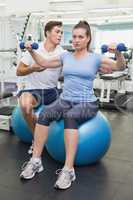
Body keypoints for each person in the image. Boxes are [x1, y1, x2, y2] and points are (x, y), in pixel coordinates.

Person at [20, 21, 126, 189]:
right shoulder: (65, 56)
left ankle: (69, 170)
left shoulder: (95, 58)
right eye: (74, 36)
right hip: (65, 99)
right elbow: (45, 62)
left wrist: (119, 52)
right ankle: (36, 160)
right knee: (45, 114)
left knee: (71, 117)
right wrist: (31, 50)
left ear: (88, 39)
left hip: (87, 102)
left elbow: (120, 66)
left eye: (80, 37)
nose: (76, 40)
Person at [16, 21, 64, 154]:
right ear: (47, 33)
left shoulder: (63, 53)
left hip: (53, 91)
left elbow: (65, 75)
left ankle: (55, 140)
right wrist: (33, 68)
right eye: (57, 31)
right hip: (33, 90)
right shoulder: (34, 48)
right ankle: (36, 140)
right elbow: (19, 71)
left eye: (61, 32)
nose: (60, 35)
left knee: (70, 109)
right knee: (25, 106)